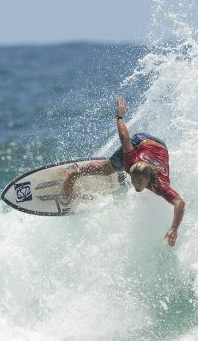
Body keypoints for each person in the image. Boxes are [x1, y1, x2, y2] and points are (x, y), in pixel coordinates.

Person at [62, 97, 185, 246]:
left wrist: (174, 228)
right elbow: (125, 138)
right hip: (140, 141)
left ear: (148, 179)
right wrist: (119, 116)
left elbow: (180, 202)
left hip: (159, 146)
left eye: (139, 182)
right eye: (133, 180)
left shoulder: (160, 185)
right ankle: (73, 174)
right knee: (106, 169)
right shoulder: (131, 162)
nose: (135, 184)